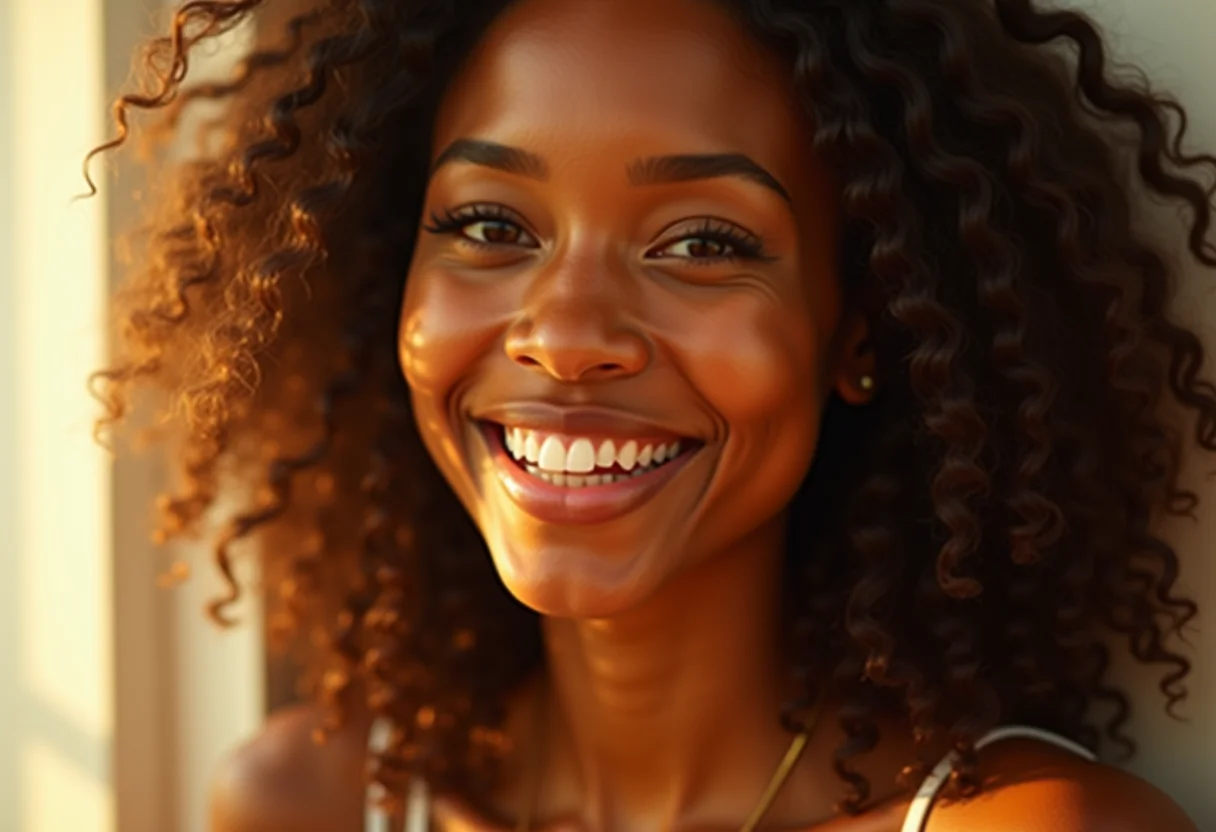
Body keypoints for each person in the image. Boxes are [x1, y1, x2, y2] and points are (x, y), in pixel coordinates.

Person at [87, 0, 1210, 829]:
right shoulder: (303, 805)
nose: (567, 333)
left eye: (703, 243)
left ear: (859, 330)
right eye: (488, 222)